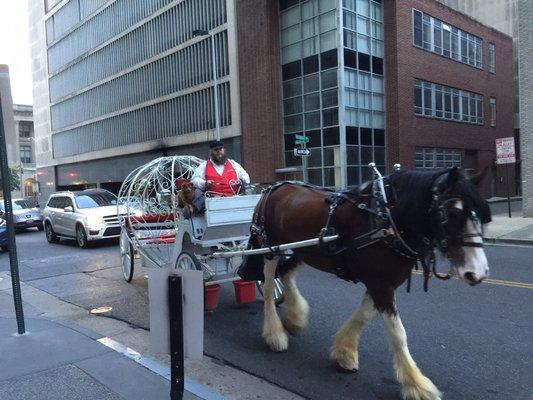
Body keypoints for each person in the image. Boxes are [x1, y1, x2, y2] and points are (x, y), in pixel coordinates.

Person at [190, 140, 250, 213]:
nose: (219, 151)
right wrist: (205, 183)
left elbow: (245, 176)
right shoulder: (204, 166)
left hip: (234, 200)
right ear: (211, 151)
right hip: (212, 202)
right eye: (216, 150)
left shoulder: (233, 164)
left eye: (220, 149)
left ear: (224, 150)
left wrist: (241, 181)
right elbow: (194, 179)